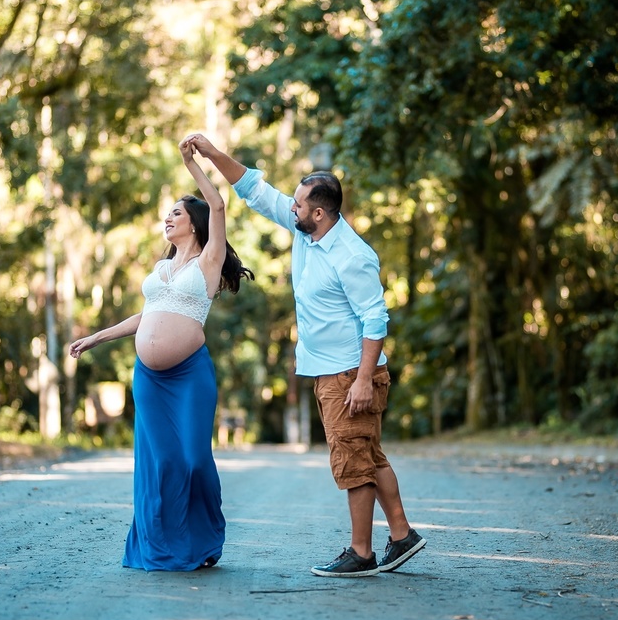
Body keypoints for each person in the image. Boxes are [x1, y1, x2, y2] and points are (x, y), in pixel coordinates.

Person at [182, 132, 426, 578]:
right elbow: (254, 190)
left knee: (352, 461)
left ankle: (362, 553)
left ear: (319, 212)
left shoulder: (352, 255)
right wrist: (212, 153)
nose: (290, 208)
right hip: (330, 370)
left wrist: (364, 380)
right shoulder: (306, 235)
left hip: (351, 372)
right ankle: (402, 535)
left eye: (298, 205)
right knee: (367, 454)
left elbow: (376, 319)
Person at [69, 139, 253, 571]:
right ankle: (163, 546)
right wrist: (97, 337)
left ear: (194, 224)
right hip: (149, 379)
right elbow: (147, 316)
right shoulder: (161, 269)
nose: (167, 219)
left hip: (189, 376)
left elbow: (220, 206)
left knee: (191, 460)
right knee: (161, 463)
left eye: (176, 213)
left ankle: (203, 538)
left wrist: (194, 163)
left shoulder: (209, 261)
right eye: (167, 213)